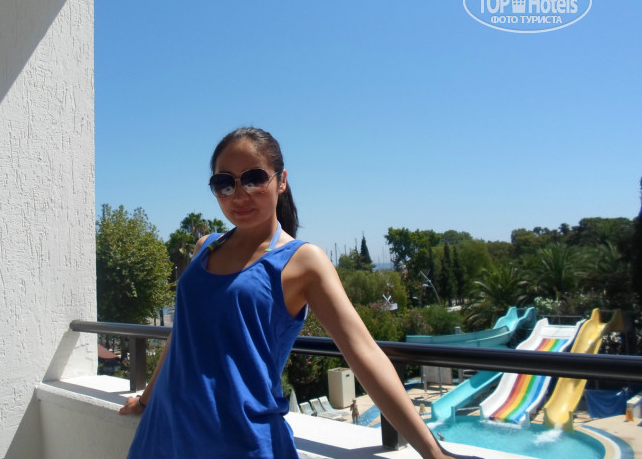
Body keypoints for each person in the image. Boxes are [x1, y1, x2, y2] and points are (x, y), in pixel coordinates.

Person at [120, 127, 481, 459]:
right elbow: (183, 335)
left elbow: (364, 354)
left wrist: (433, 453)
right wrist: (147, 400)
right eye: (224, 183)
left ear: (281, 181)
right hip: (163, 438)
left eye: (254, 178)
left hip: (240, 443)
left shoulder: (302, 262)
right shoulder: (205, 248)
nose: (240, 194)